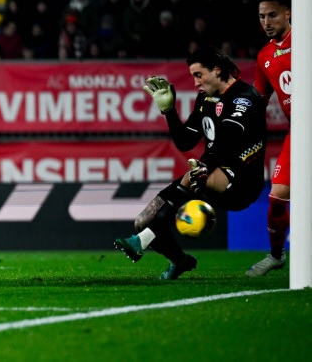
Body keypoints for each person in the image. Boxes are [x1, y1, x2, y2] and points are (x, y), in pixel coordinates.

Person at [114, 47, 267, 280]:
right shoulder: (205, 98)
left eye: (199, 75)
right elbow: (185, 142)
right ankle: (179, 261)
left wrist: (204, 167)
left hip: (242, 181)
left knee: (194, 177)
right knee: (144, 221)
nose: (196, 82)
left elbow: (228, 140)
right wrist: (169, 111)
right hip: (208, 171)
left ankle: (141, 242)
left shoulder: (245, 98)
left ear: (217, 70)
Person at [247, 0, 292, 276]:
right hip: (298, 133)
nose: (266, 22)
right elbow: (258, 102)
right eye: (262, 17)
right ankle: (277, 255)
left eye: (272, 15)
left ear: (288, 14)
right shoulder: (264, 56)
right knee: (277, 197)